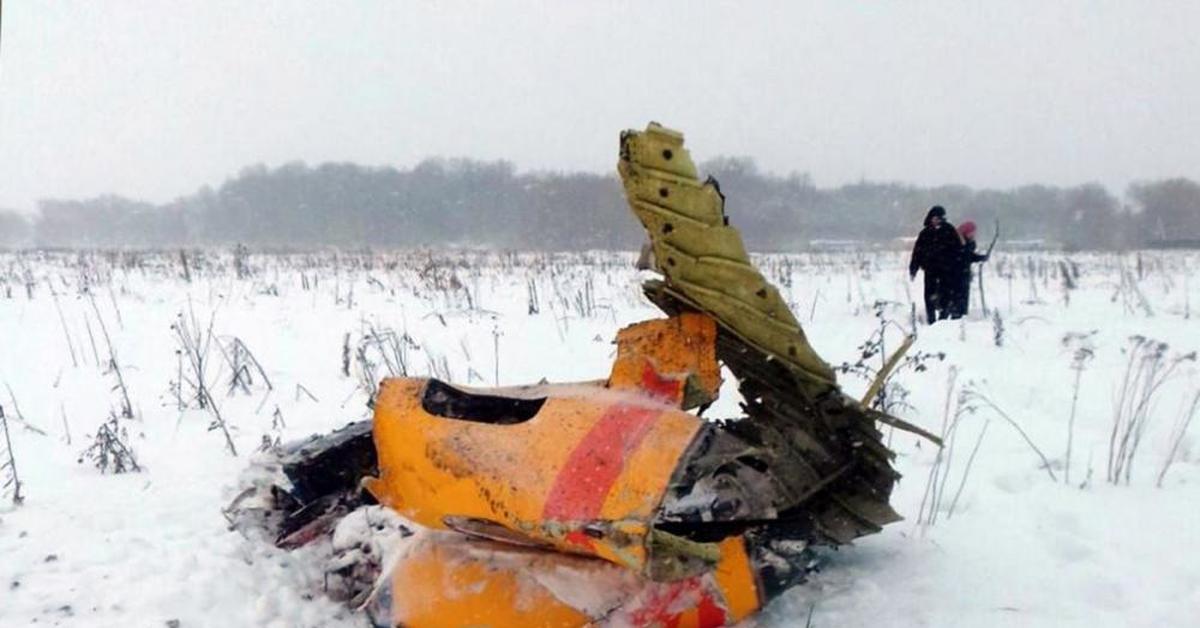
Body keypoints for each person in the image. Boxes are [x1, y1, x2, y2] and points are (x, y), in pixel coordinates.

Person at [908, 206, 963, 324]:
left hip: (946, 270)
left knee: (945, 294)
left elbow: (958, 250)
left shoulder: (949, 230)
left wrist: (958, 266)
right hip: (930, 270)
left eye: (940, 218)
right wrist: (913, 268)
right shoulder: (925, 233)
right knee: (929, 295)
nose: (937, 220)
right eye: (935, 218)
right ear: (930, 218)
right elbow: (917, 251)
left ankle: (943, 318)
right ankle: (931, 319)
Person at [950, 220, 989, 318]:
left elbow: (969, 257)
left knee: (963, 296)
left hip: (965, 273)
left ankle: (962, 315)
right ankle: (955, 316)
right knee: (956, 297)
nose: (973, 234)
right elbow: (962, 256)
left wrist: (981, 258)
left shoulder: (970, 243)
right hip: (954, 274)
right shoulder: (955, 241)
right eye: (972, 232)